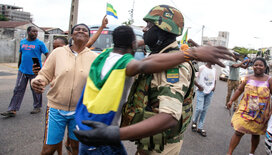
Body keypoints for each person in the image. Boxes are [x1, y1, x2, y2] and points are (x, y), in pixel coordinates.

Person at [73, 5, 234, 155]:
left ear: (162, 32)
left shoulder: (173, 66)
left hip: (160, 148)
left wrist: (115, 134)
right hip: (149, 142)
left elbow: (169, 117)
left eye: (149, 26)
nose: (144, 29)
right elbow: (138, 47)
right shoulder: (161, 55)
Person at [31, 23, 99, 155]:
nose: (81, 31)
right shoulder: (58, 53)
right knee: (48, 149)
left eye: (84, 30)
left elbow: (98, 83)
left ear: (88, 37)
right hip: (56, 109)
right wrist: (37, 81)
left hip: (80, 111)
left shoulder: (94, 58)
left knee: (76, 147)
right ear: (72, 35)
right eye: (77, 29)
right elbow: (44, 74)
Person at [226, 58, 272, 155]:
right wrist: (231, 100)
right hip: (245, 110)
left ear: (265, 67)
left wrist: (271, 111)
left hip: (261, 113)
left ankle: (252, 152)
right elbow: (239, 90)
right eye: (256, 65)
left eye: (260, 65)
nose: (258, 67)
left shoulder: (270, 80)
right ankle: (229, 153)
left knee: (256, 133)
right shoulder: (247, 78)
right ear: (253, 66)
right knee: (239, 130)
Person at [0, 26, 49, 117]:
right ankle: (12, 109)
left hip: (35, 71)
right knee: (18, 89)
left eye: (36, 32)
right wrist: (19, 66)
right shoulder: (23, 42)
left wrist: (45, 67)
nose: (35, 33)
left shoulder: (40, 43)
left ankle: (37, 106)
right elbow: (21, 54)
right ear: (28, 32)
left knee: (35, 89)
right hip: (22, 70)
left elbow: (47, 54)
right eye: (33, 31)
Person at [191, 62, 216, 137]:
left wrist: (214, 87)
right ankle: (194, 121)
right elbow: (192, 78)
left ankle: (200, 127)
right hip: (201, 92)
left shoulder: (214, 70)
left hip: (210, 92)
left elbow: (215, 80)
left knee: (205, 110)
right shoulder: (202, 68)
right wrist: (198, 86)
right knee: (199, 109)